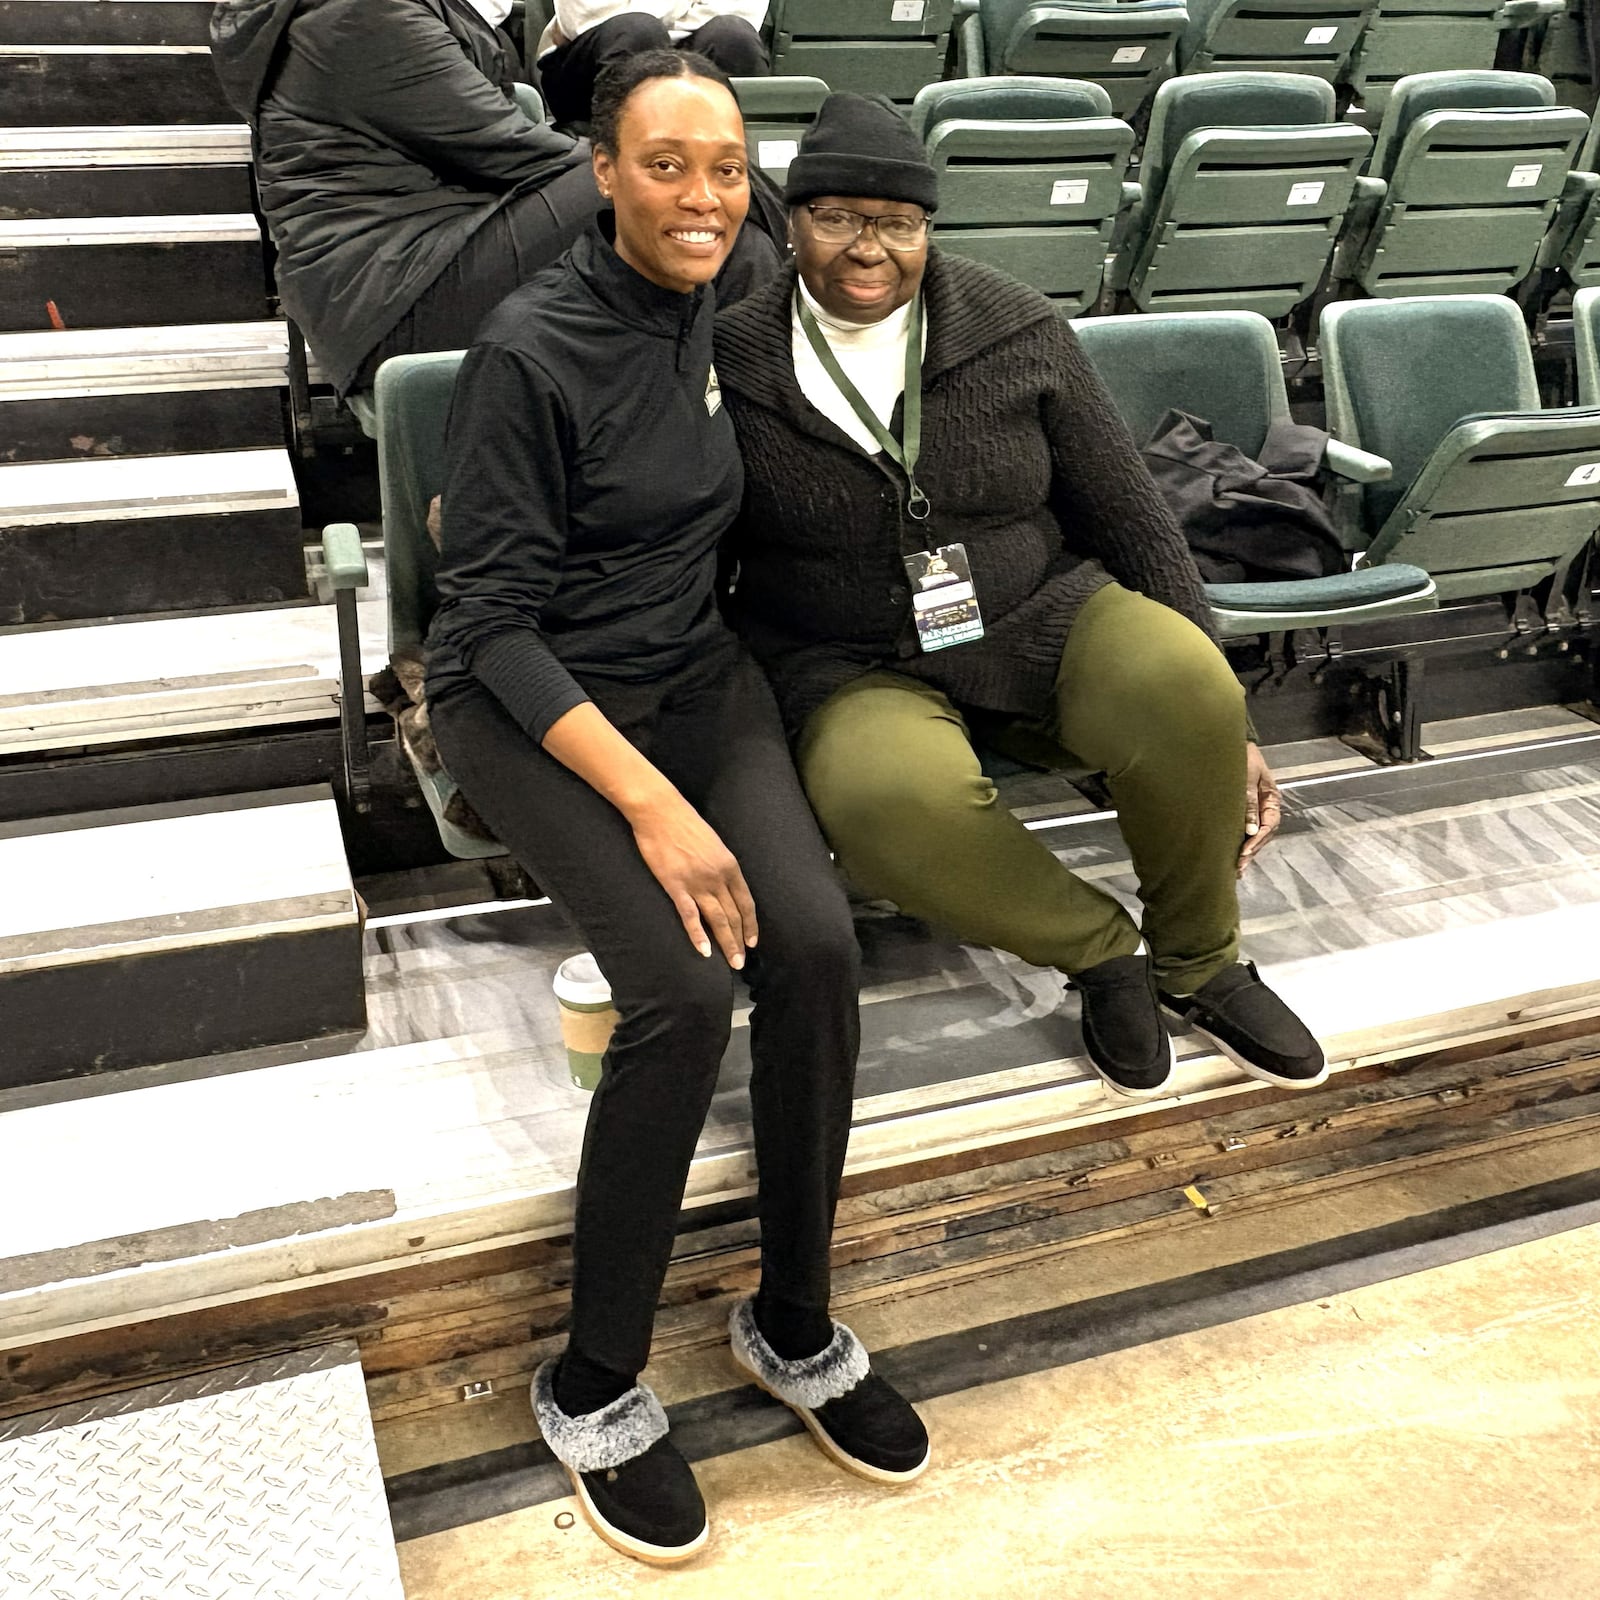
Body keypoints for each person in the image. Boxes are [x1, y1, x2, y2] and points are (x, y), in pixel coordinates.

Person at [423, 54, 929, 1567]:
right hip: (533, 701)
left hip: (695, 674)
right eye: (666, 165)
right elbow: (487, 624)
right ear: (602, 171)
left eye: (726, 168)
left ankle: (793, 1318)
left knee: (818, 948)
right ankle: (594, 1379)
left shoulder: (735, 289)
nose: (703, 197)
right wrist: (656, 810)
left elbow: (896, 301)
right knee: (681, 991)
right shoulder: (528, 352)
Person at [714, 94, 1327, 1104]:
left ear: (927, 228)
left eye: (897, 222)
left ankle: (1200, 961)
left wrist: (1234, 723)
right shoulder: (731, 355)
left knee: (1185, 684)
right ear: (792, 223)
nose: (868, 247)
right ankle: (1101, 951)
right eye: (838, 217)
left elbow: (1131, 516)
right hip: (847, 655)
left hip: (1037, 610)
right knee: (884, 801)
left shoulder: (1013, 324)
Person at [207, 0, 777, 400]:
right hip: (391, 294)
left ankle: (721, 447)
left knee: (736, 240)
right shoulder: (360, 16)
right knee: (675, 182)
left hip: (432, 249)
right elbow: (507, 147)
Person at [536, 2, 770, 130]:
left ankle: (738, 166)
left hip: (693, 45)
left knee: (733, 36)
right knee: (638, 30)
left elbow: (743, 10)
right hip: (590, 60)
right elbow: (588, 15)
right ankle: (614, 154)